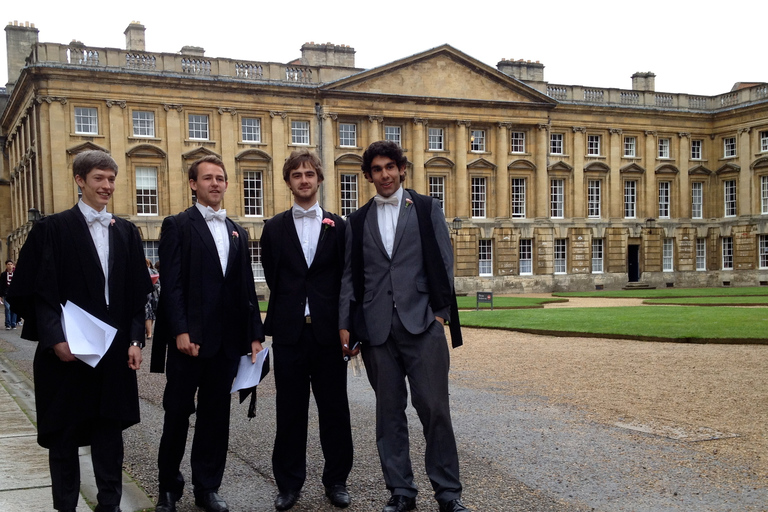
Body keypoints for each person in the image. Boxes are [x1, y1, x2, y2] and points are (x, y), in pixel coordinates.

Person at [7, 150, 152, 512]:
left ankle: (110, 505)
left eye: (111, 179)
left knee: (109, 433)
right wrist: (55, 337)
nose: (107, 186)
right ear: (80, 181)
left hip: (114, 351)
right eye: (99, 178)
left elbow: (138, 294)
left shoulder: (128, 232)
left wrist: (135, 339)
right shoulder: (50, 230)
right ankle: (66, 506)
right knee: (64, 435)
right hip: (65, 353)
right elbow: (33, 291)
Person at [339, 141, 469, 512]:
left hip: (422, 323)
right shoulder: (357, 219)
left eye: (390, 167)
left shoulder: (426, 207)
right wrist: (346, 323)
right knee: (389, 414)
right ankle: (401, 492)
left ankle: (448, 493)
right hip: (377, 329)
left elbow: (444, 263)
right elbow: (351, 277)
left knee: (434, 410)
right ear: (368, 176)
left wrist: (440, 315)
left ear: (402, 169)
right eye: (377, 169)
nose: (384, 175)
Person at [150, 155, 265, 512]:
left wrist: (254, 335)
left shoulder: (237, 230)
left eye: (220, 178)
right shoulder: (177, 225)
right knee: (176, 415)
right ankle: (168, 489)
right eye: (208, 178)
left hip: (227, 343)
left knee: (216, 419)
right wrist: (180, 331)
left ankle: (207, 487)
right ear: (193, 184)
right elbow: (171, 285)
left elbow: (246, 288)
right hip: (190, 343)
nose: (215, 183)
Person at [261, 149, 352, 510]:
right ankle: (289, 484)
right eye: (296, 174)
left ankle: (337, 481)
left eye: (309, 174)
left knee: (334, 410)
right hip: (290, 335)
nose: (303, 179)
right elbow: (274, 276)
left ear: (319, 179)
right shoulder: (274, 227)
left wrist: (347, 327)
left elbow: (347, 280)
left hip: (328, 335)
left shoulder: (339, 226)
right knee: (290, 411)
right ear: (288, 181)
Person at [1, 260, 18, 329]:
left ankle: (13, 323)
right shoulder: (3, 274)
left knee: (14, 309)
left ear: (13, 265)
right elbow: (1, 285)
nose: (10, 265)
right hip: (6, 293)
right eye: (8, 264)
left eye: (11, 264)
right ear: (6, 265)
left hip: (15, 293)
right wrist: (0, 295)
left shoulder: (16, 274)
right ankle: (8, 324)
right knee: (7, 308)